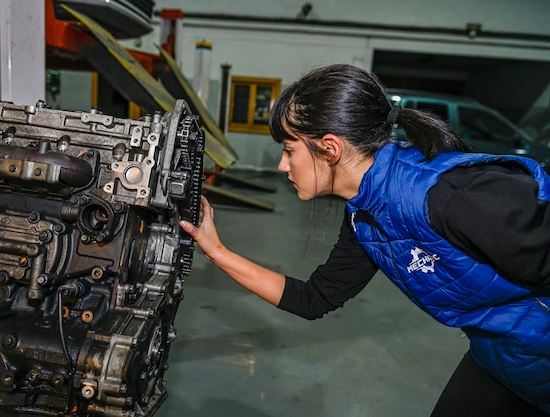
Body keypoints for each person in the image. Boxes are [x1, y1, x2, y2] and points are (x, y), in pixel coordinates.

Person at [179, 63, 550, 417]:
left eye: (289, 150)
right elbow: (313, 299)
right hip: (502, 359)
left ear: (330, 148)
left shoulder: (451, 196)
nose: (282, 165)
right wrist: (216, 251)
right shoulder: (364, 215)